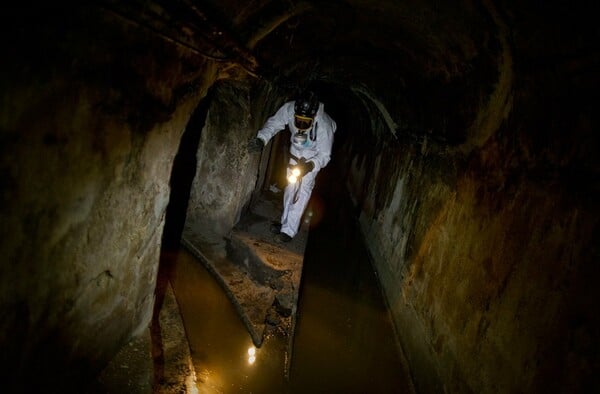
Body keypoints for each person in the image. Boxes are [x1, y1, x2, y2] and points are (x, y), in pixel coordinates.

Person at [247, 90, 337, 243]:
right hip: (295, 155)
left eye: (306, 121)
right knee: (290, 188)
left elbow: (324, 156)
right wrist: (261, 139)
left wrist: (309, 166)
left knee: (302, 193)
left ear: (314, 116)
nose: (301, 126)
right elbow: (275, 123)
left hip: (311, 160)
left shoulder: (324, 125)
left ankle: (289, 231)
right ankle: (284, 224)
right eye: (298, 120)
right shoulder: (289, 109)